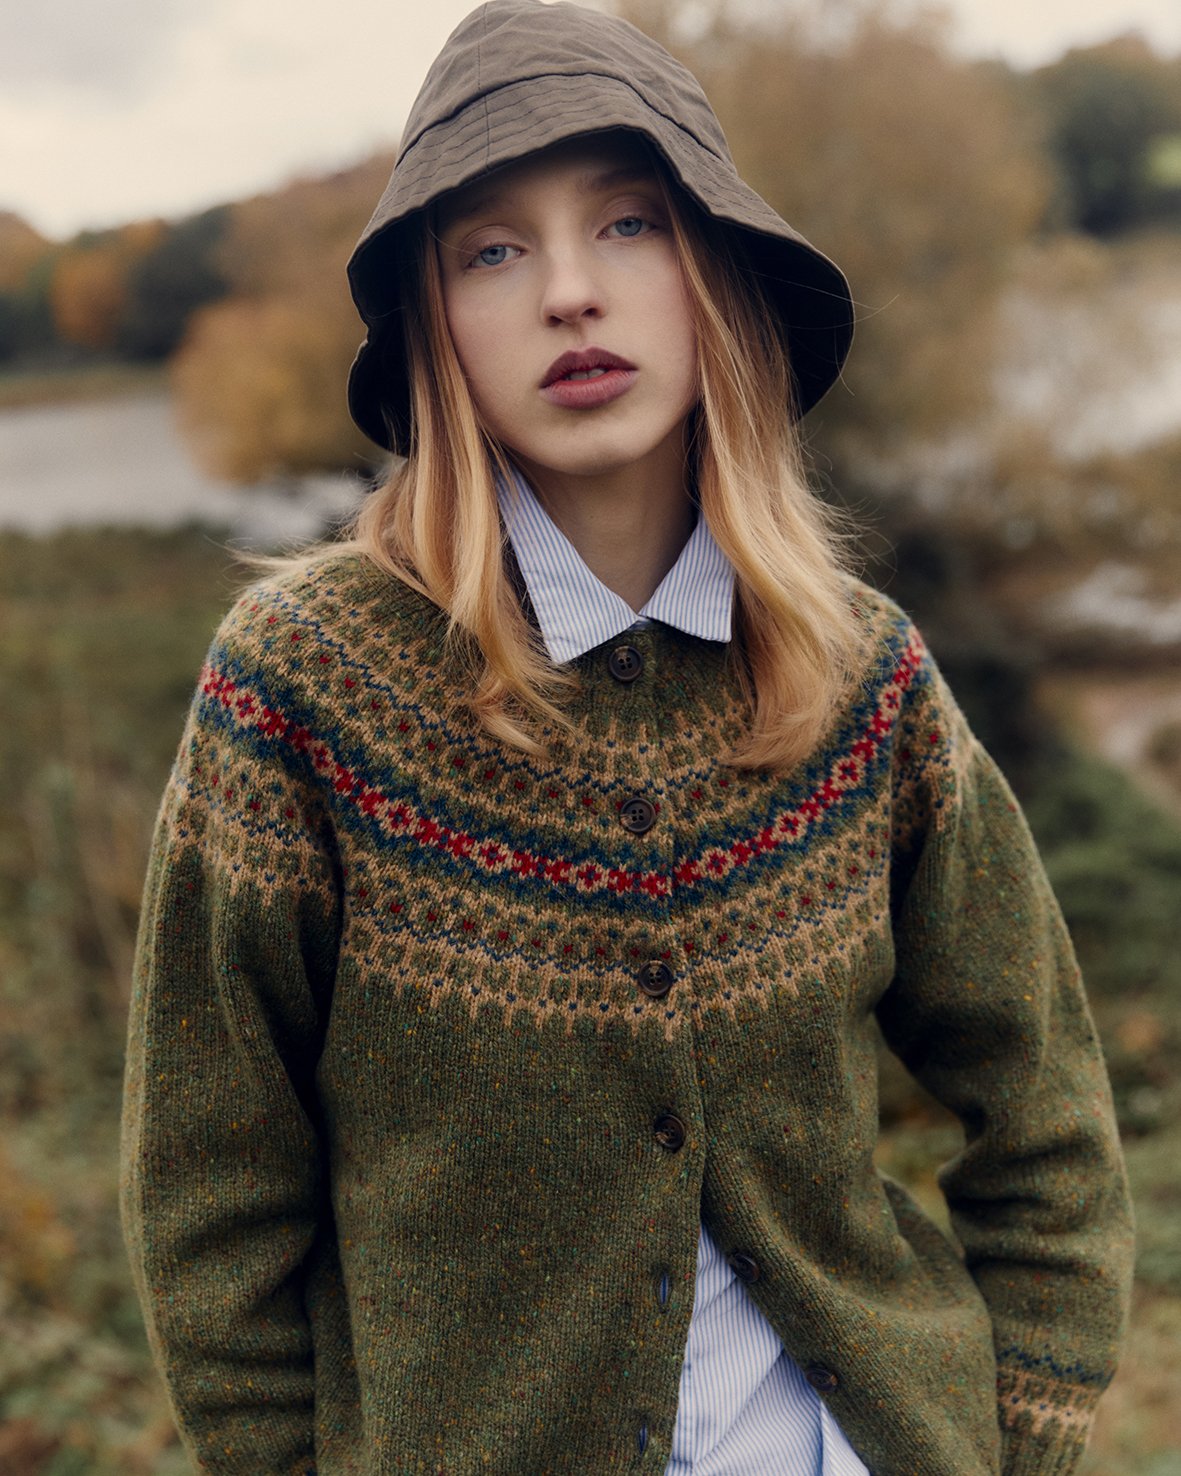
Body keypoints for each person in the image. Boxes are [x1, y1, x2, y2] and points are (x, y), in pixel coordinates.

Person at [119, 2, 1134, 1473]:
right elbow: (214, 1198)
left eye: (630, 225)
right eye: (493, 249)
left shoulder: (860, 680)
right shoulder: (301, 691)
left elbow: (1040, 1105)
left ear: (712, 271)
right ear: (433, 322)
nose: (570, 296)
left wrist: (1018, 1428)